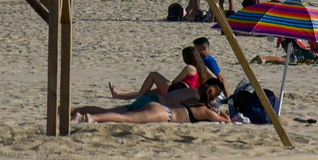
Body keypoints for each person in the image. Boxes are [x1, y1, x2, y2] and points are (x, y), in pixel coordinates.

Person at [72, 80, 229, 124]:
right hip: (162, 111)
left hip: (154, 102)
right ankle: (92, 118)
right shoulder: (206, 110)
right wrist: (217, 109)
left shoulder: (192, 96)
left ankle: (77, 112)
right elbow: (226, 120)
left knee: (115, 111)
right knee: (126, 118)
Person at [109, 47, 204, 103]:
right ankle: (120, 95)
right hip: (187, 94)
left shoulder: (190, 68)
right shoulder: (202, 69)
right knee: (148, 93)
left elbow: (175, 81)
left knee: (153, 75)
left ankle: (137, 96)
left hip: (177, 90)